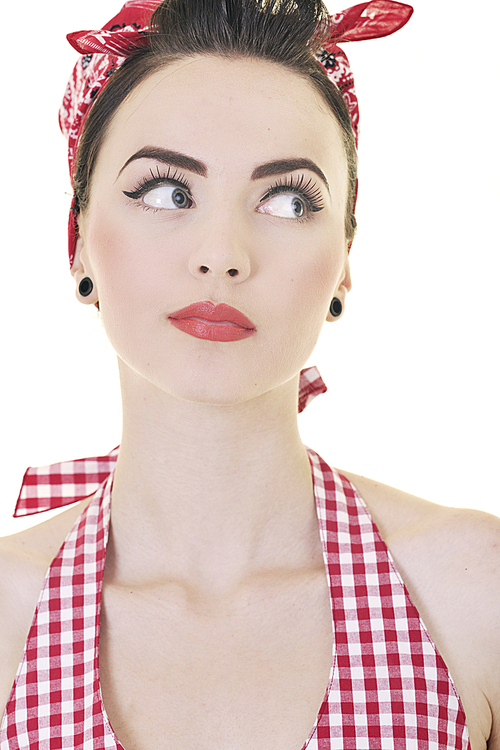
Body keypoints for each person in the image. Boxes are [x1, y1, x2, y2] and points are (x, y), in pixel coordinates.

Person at [0, 0, 498, 748]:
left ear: (344, 263)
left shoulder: (472, 592)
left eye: (287, 200)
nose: (222, 252)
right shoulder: (8, 613)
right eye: (167, 191)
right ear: (77, 242)